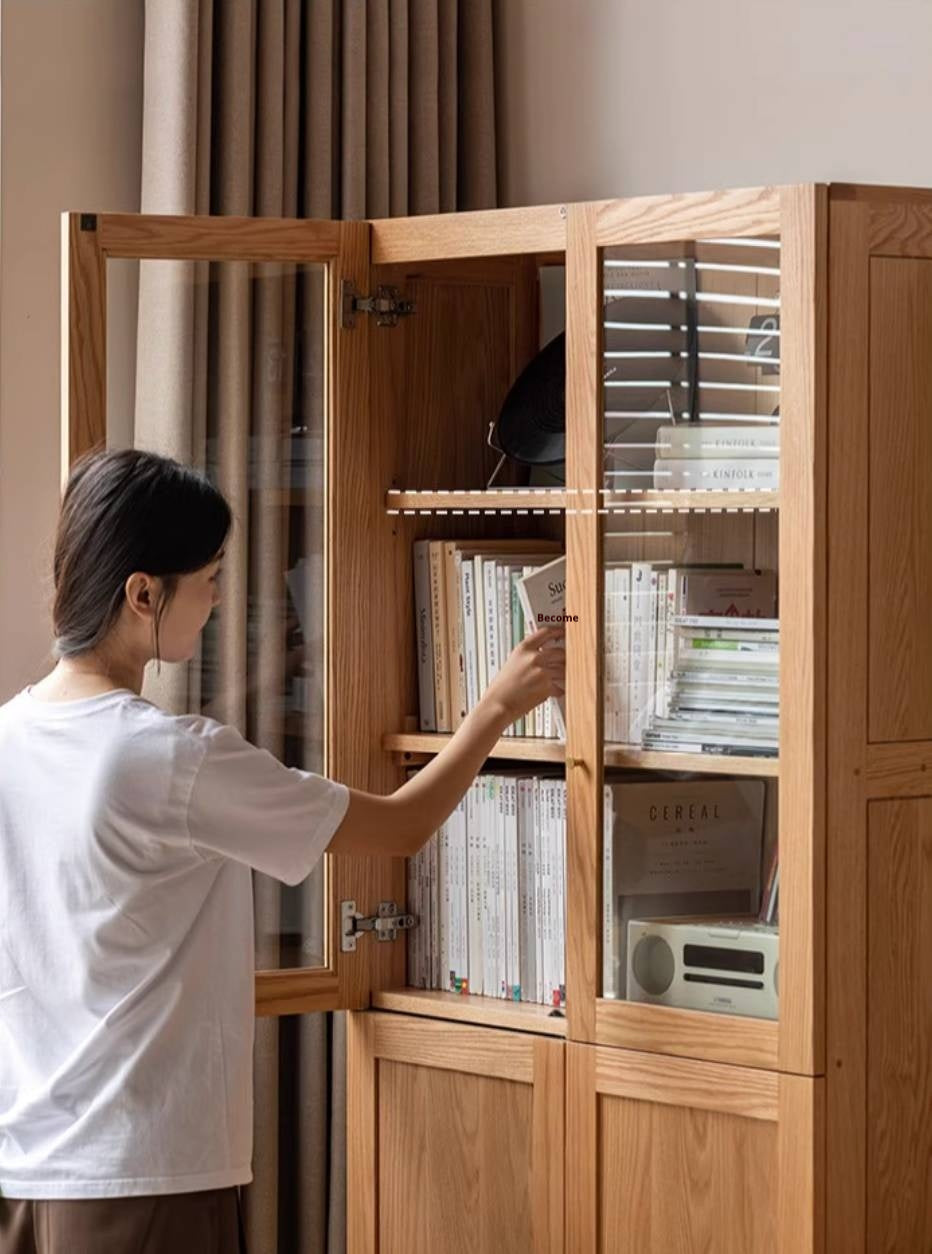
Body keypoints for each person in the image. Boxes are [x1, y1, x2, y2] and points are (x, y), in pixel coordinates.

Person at [0, 447, 566, 1253]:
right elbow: (400, 825)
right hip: (149, 1173)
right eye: (211, 577)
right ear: (142, 593)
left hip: (28, 1167)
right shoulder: (173, 757)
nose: (220, 598)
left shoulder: (13, 734)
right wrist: (496, 707)